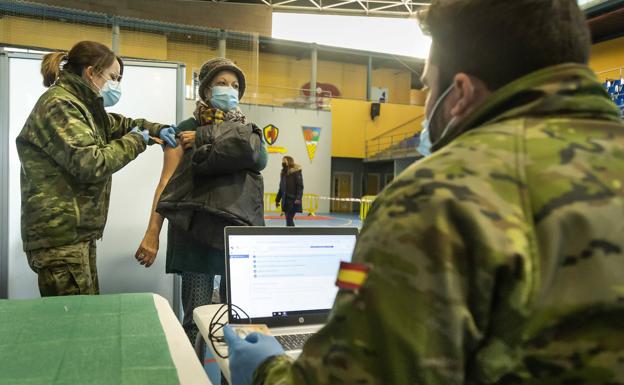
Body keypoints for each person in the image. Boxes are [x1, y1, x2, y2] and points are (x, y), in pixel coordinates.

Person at [223, 0, 624, 384]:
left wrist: (264, 370)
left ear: (461, 93)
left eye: (428, 86)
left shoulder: (439, 196)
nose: (426, 101)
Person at [16, 41, 176, 297]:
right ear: (91, 72)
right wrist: (137, 140)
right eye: (113, 77)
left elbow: (120, 124)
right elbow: (91, 163)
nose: (116, 85)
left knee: (86, 316)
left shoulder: (84, 108)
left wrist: (156, 129)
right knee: (73, 324)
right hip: (60, 239)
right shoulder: (60, 106)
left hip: (75, 236)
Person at [135, 57, 267, 345]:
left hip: (236, 239)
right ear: (205, 90)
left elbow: (262, 160)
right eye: (221, 83)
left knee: (239, 324)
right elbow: (166, 183)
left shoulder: (248, 131)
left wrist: (208, 136)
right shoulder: (183, 129)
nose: (228, 90)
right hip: (194, 236)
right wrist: (152, 233)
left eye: (234, 86)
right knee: (195, 319)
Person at [275, 156, 303, 227]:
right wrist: (277, 200)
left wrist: (298, 198)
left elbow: (300, 187)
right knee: (289, 219)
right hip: (285, 201)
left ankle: (291, 234)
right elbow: (281, 188)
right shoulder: (283, 174)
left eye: (284, 161)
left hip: (293, 201)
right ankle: (291, 235)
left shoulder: (296, 172)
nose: (283, 162)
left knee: (289, 219)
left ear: (289, 161)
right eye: (282, 161)